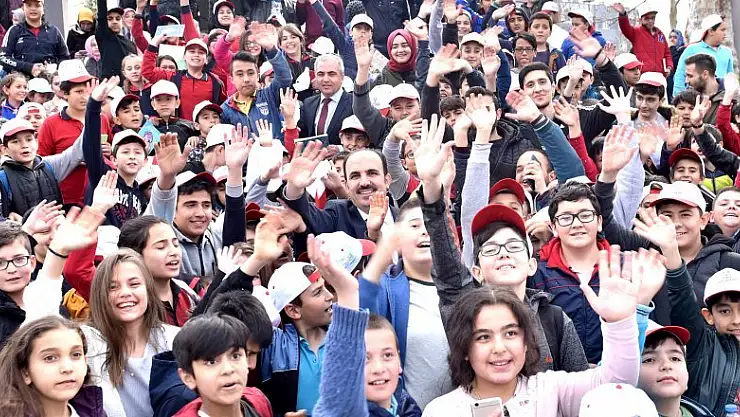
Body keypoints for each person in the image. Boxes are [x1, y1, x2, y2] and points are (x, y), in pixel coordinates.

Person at [421, 245, 648, 415]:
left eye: (511, 333)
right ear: (464, 348)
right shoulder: (440, 411)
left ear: (527, 342)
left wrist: (618, 322)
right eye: (483, 337)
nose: (499, 348)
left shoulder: (551, 389)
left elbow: (615, 384)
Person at [359, 198, 455, 408]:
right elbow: (360, 320)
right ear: (398, 240)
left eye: (430, 224)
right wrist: (379, 249)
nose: (425, 231)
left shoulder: (463, 287)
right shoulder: (385, 289)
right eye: (415, 225)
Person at [280, 142, 398, 240]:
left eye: (372, 173)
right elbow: (309, 217)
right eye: (355, 176)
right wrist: (294, 188)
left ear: (387, 180)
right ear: (347, 186)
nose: (364, 182)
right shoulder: (337, 214)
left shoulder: (404, 217)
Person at [0, 315, 105, 416]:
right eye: (50, 358)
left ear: (85, 362)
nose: (67, 368)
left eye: (76, 354)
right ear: (25, 373)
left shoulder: (93, 411)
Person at [171, 314, 273, 416]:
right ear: (188, 377)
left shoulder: (258, 401)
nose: (228, 369)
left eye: (235, 356)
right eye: (211, 362)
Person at [220, 24, 293, 140]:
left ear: (258, 76)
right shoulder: (225, 110)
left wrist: (271, 49)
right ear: (231, 79)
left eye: (250, 73)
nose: (246, 79)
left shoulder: (269, 95)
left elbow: (285, 77)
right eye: (240, 74)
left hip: (276, 151)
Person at [143, 36, 226, 122]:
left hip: (205, 129)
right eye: (192, 51)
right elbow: (148, 72)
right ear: (184, 57)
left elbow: (222, 109)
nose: (196, 55)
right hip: (179, 128)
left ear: (206, 59)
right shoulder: (173, 76)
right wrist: (153, 44)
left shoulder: (216, 82)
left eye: (201, 53)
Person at [0, 0, 69, 77]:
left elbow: (65, 58)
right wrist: (29, 67)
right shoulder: (14, 30)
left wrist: (54, 67)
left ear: (43, 9)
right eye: (29, 5)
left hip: (50, 79)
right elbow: (3, 58)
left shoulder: (54, 31)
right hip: (22, 80)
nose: (33, 9)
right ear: (23, 8)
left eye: (37, 5)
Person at [297, 54, 353, 146]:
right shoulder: (308, 104)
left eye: (331, 74)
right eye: (321, 74)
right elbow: (302, 139)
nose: (325, 79)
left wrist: (340, 149)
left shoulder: (354, 104)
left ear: (342, 77)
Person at [673, 14, 733, 97]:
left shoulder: (727, 52)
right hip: (697, 98)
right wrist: (679, 97)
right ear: (711, 31)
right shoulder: (692, 49)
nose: (725, 34)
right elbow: (680, 75)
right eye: (722, 30)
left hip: (721, 98)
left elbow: (730, 77)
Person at [612, 3, 671, 76]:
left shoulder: (660, 34)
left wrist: (669, 67)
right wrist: (623, 15)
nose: (650, 21)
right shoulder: (636, 32)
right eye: (647, 18)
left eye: (652, 18)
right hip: (643, 75)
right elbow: (625, 28)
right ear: (640, 20)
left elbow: (667, 53)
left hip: (659, 75)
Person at [94, 1, 137, 80]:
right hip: (110, 84)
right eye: (110, 19)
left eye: (118, 19)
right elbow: (101, 14)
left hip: (128, 84)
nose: (114, 22)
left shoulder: (131, 44)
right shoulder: (105, 37)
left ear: (122, 22)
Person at [683, 53, 725, 125]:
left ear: (705, 74)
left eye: (690, 76)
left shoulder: (731, 98)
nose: (686, 81)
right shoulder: (687, 97)